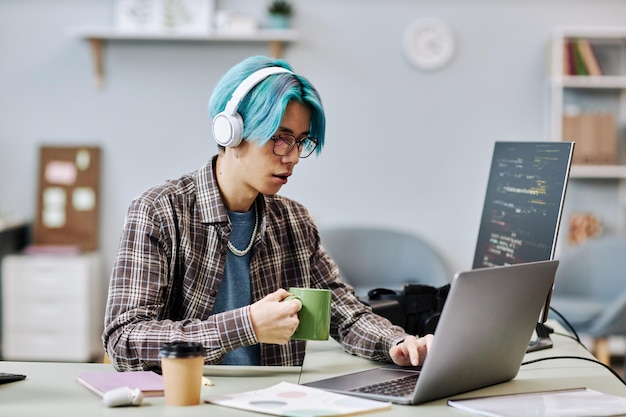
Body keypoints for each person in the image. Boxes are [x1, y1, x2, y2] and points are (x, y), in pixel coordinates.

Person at [102, 55, 433, 372]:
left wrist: (398, 343)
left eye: (301, 141)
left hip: (274, 400)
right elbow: (123, 339)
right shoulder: (159, 212)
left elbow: (344, 313)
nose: (291, 157)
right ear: (230, 132)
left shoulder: (294, 221)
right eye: (280, 138)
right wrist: (245, 326)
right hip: (190, 400)